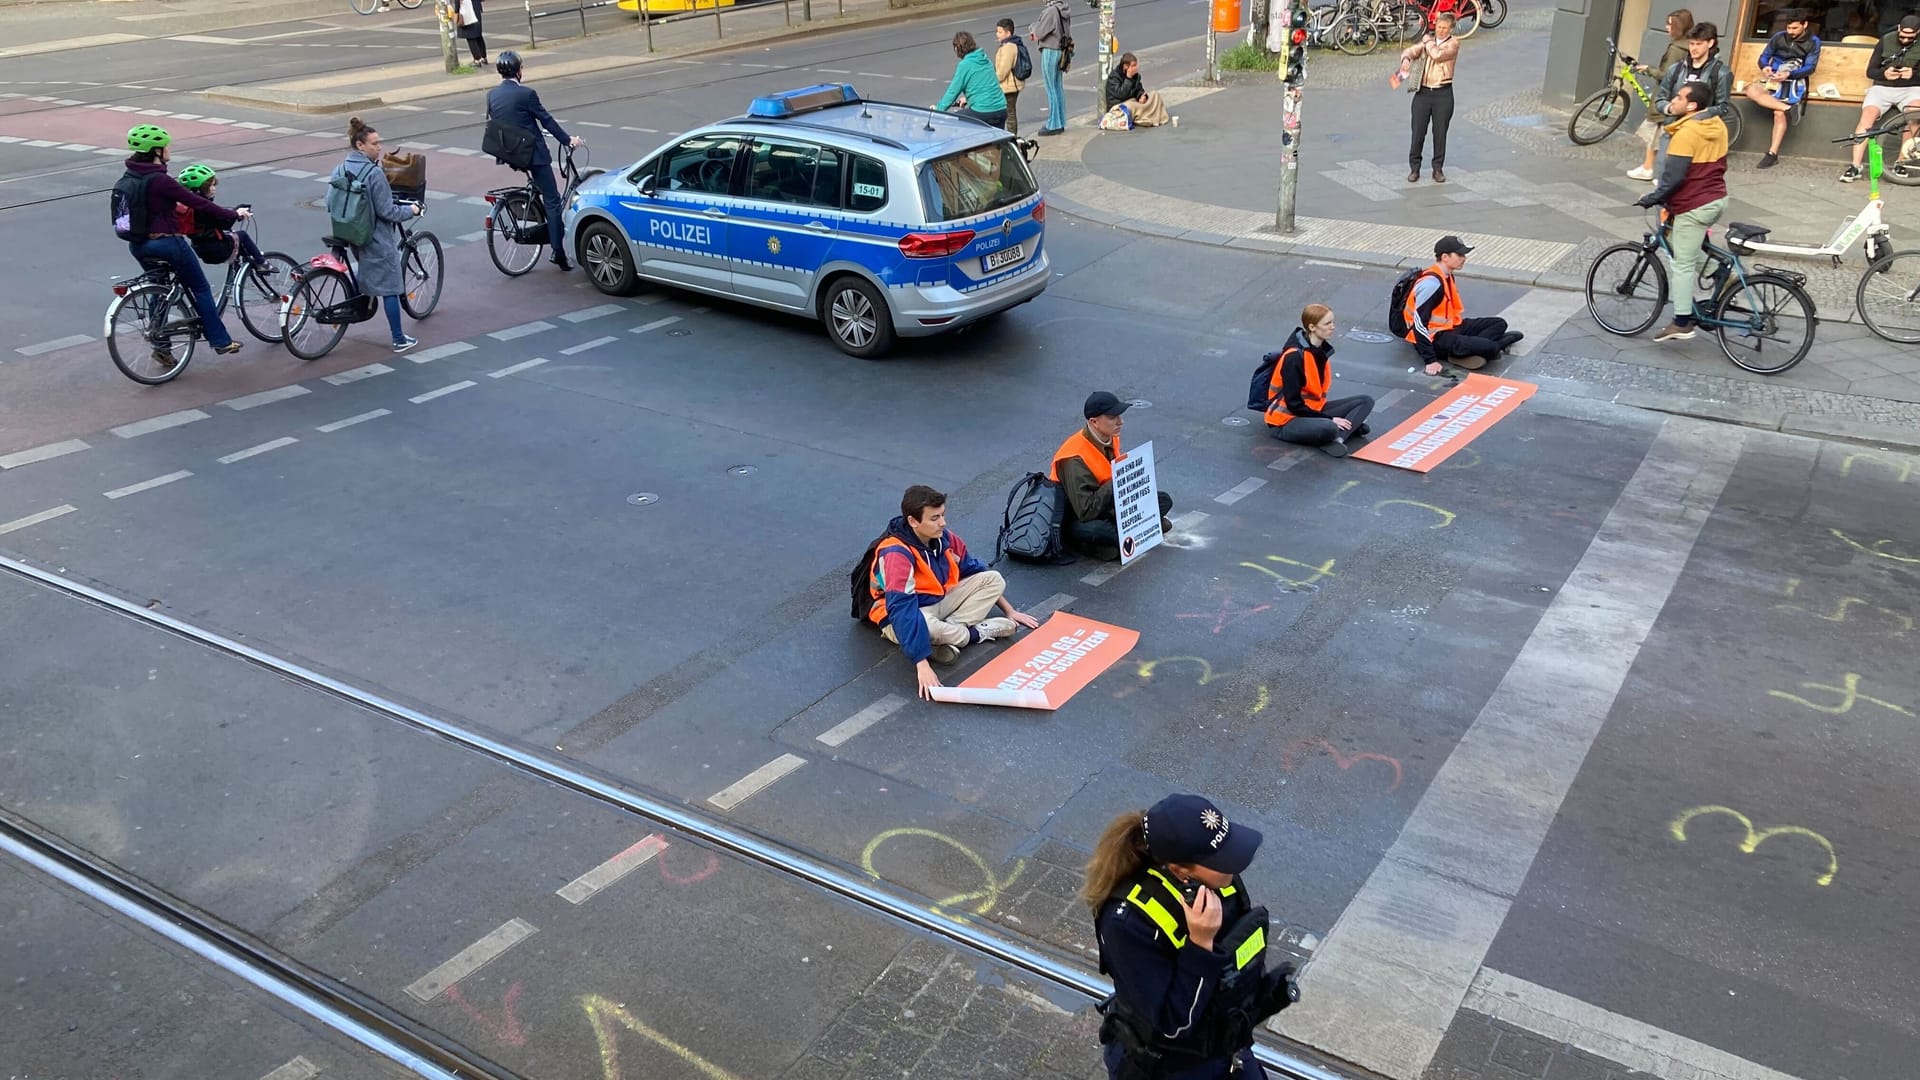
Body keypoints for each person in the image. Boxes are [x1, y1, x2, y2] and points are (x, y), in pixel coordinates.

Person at [1084, 794, 1299, 1080]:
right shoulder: (1127, 923)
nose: (1233, 864)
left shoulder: (1220, 882)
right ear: (1179, 871)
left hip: (1225, 1047)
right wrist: (1200, 946)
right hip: (1172, 1067)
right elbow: (1171, 1026)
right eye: (1220, 858)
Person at [865, 485, 1041, 700]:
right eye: (935, 518)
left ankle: (947, 636)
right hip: (899, 616)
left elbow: (975, 570)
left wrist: (1010, 611)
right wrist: (922, 665)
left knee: (993, 579)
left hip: (937, 602)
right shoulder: (895, 553)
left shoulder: (944, 538)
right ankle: (976, 634)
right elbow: (902, 610)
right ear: (913, 521)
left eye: (943, 515)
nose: (943, 523)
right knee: (924, 625)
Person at [116, 125, 249, 363]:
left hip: (138, 245)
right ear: (156, 151)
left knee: (159, 288)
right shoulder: (160, 180)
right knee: (200, 288)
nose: (169, 150)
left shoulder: (129, 176)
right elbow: (199, 203)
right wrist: (232, 216)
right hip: (166, 243)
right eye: (166, 146)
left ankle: (161, 344)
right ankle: (221, 340)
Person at [1636, 82, 1729, 342]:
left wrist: (1652, 198)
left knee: (1682, 265)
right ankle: (1718, 272)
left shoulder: (1687, 132)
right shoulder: (1717, 125)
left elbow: (1673, 178)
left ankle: (1681, 322)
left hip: (1694, 204)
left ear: (1692, 106)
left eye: (1679, 97)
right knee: (1680, 242)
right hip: (1716, 198)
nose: (1673, 101)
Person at [486, 50, 583, 269]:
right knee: (552, 200)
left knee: (540, 189)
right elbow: (546, 120)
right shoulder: (527, 94)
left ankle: (536, 212)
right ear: (518, 71)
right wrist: (568, 140)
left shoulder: (492, 95)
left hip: (511, 154)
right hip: (533, 155)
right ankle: (558, 253)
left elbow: (507, 121)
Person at [1051, 392, 1176, 561]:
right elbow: (1085, 511)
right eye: (1112, 417)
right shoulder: (1073, 458)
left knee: (1164, 499)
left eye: (1119, 416)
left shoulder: (1110, 437)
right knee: (1096, 530)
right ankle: (1131, 533)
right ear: (1094, 422)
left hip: (1109, 504)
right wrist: (1117, 480)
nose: (1120, 422)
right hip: (1078, 515)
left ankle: (1122, 538)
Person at [334, 118, 423, 354]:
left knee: (366, 269)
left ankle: (360, 297)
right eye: (374, 143)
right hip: (373, 236)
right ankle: (399, 339)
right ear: (360, 145)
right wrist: (411, 210)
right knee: (391, 287)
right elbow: (388, 211)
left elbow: (330, 201)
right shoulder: (374, 173)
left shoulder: (340, 168)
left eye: (379, 142)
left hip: (348, 231)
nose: (379, 147)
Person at [1403, 235, 1523, 374]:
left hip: (1451, 326)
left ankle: (1468, 351)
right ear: (1445, 257)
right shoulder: (1431, 284)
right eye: (1459, 254)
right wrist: (1430, 360)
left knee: (1499, 323)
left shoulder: (1446, 275)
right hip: (1435, 338)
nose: (1464, 258)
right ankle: (1488, 348)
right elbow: (1419, 324)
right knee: (1490, 347)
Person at [1265, 305, 1375, 456]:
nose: (1333, 327)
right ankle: (1342, 431)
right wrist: (1330, 419)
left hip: (1313, 409)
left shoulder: (1320, 350)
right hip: (1286, 420)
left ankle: (1339, 439)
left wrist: (1329, 418)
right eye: (1327, 323)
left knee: (1365, 401)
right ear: (1312, 327)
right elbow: (1294, 405)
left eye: (1332, 322)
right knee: (1329, 428)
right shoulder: (1294, 357)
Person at [1645, 22, 1732, 184]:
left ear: (1710, 43)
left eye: (1699, 44)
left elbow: (1723, 107)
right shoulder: (1676, 69)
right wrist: (1670, 108)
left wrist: (1699, 116)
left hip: (1699, 134)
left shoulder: (1721, 73)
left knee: (1690, 182)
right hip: (1672, 129)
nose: (1694, 48)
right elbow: (1660, 98)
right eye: (1691, 44)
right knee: (1663, 177)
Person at [1843, 15, 1920, 182]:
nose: (1906, 39)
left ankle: (1902, 162)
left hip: (1911, 88)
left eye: (1910, 37)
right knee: (1867, 117)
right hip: (1883, 86)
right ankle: (1855, 166)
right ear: (1899, 28)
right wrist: (1884, 74)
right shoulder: (1886, 39)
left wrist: (1914, 74)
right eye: (1903, 36)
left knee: (1914, 115)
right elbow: (1870, 71)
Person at [1745, 9, 1821, 168]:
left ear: (1804, 24)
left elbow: (1810, 67)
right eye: (1788, 28)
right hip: (1773, 77)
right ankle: (1788, 109)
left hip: (1793, 80)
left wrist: (1789, 74)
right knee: (1751, 90)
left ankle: (1772, 154)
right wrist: (1765, 66)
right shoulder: (1778, 37)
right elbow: (1764, 56)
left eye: (1794, 28)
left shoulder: (1813, 41)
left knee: (1778, 114)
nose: (1790, 32)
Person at [1627, 10, 1695, 181]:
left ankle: (1657, 172)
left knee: (1661, 136)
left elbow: (1666, 74)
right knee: (1657, 135)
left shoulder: (1676, 48)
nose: (1667, 28)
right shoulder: (1690, 45)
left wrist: (1649, 70)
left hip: (1667, 97)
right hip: (1678, 96)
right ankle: (1648, 167)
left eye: (1670, 24)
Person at [1394, 12, 1459, 183]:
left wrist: (1428, 40)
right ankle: (1414, 168)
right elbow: (1410, 50)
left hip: (1443, 93)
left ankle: (1437, 169)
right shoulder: (1427, 42)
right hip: (1422, 93)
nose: (1441, 31)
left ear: (1451, 29)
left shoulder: (1453, 43)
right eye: (1438, 27)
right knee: (1417, 132)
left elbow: (1437, 55)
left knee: (1440, 133)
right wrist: (1406, 59)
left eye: (1444, 28)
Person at [175, 164, 270, 271]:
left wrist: (234, 212)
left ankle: (239, 270)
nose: (214, 189)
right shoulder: (204, 207)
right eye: (211, 185)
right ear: (200, 189)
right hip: (218, 249)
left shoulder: (189, 206)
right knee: (242, 235)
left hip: (200, 249)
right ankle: (262, 263)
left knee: (231, 237)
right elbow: (225, 223)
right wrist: (237, 213)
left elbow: (216, 219)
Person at [937, 32, 1009, 128]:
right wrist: (967, 99)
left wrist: (938, 110)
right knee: (996, 139)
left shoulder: (964, 65)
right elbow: (987, 85)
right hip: (1001, 109)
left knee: (954, 121)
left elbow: (952, 92)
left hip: (983, 111)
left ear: (957, 48)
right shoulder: (985, 59)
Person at [1029, 0, 1071, 136]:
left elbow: (1040, 32)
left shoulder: (1050, 11)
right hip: (1060, 50)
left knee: (1050, 87)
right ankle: (1060, 121)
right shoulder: (1062, 9)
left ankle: (1053, 123)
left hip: (1050, 50)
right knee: (1057, 86)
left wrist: (1032, 27)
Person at [1102, 53, 1177, 128]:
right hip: (1119, 106)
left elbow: (1139, 89)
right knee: (1131, 106)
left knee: (1155, 94)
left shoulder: (1136, 76)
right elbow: (1121, 94)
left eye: (1136, 65)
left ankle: (1150, 117)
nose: (1136, 68)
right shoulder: (1114, 77)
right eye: (1133, 66)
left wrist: (1141, 96)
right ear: (1125, 66)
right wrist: (1128, 78)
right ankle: (1144, 118)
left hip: (1132, 101)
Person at [994, 19, 1026, 135]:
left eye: (1000, 32)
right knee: (1010, 112)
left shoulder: (1008, 48)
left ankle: (1011, 137)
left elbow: (1003, 71)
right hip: (1011, 85)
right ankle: (1011, 136)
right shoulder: (1013, 44)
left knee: (1009, 113)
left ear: (1008, 33)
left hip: (1009, 86)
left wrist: (993, 82)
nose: (997, 34)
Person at [455, 0, 489, 68]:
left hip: (467, 9)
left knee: (470, 36)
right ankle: (483, 57)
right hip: (476, 7)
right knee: (478, 35)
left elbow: (458, 2)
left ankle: (477, 60)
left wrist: (456, 11)